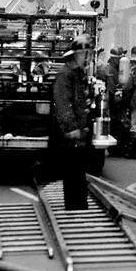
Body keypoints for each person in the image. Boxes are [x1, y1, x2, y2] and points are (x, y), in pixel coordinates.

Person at [51, 34, 93, 210]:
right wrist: (71, 127)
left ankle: (78, 205)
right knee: (73, 170)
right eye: (85, 54)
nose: (87, 58)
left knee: (78, 170)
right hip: (71, 133)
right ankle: (75, 205)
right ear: (75, 55)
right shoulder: (65, 75)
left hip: (79, 131)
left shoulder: (76, 74)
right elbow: (62, 103)